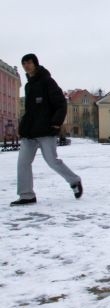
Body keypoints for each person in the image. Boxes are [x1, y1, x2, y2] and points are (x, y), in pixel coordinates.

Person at [10, 54, 83, 206]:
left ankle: (74, 181)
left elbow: (61, 103)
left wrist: (56, 123)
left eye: (29, 62)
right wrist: (22, 128)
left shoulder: (47, 81)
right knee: (22, 162)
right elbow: (30, 111)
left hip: (46, 130)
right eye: (24, 63)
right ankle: (26, 195)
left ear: (36, 64)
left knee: (52, 161)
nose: (26, 66)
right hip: (29, 132)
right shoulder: (29, 86)